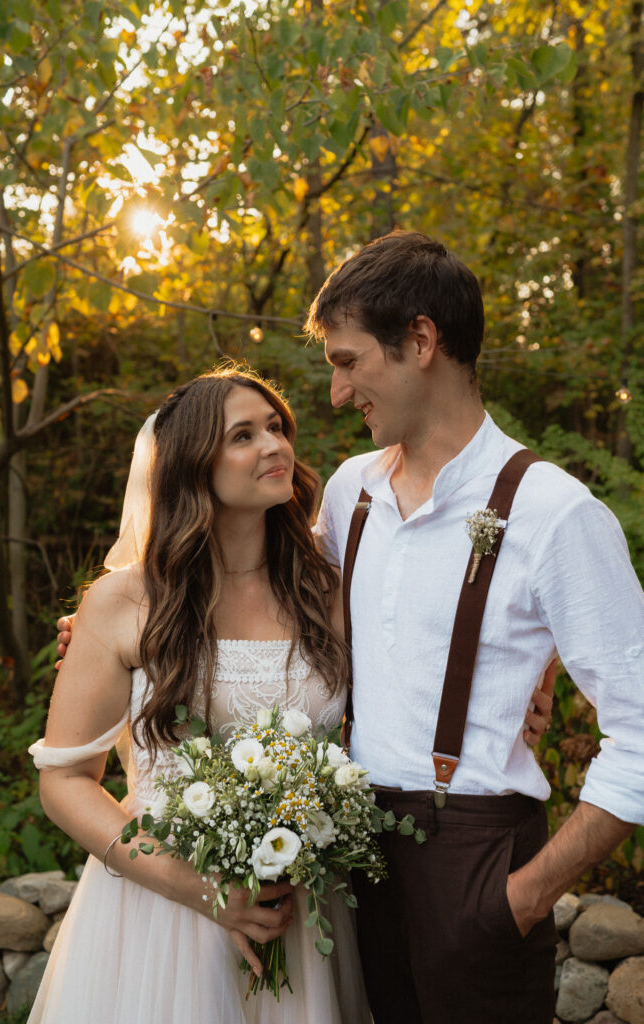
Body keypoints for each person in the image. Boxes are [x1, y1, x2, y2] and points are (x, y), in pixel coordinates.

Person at [303, 229, 644, 1024]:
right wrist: (124, 613)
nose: (336, 394)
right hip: (358, 856)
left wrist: (521, 898)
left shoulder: (555, 513)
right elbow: (269, 604)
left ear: (420, 339)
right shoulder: (350, 491)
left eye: (348, 362)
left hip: (481, 861)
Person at [28, 367, 371, 1024]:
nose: (274, 446)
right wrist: (208, 892)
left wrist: (533, 680)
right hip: (163, 913)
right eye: (243, 435)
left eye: (276, 428)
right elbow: (65, 782)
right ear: (191, 467)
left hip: (300, 916)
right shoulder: (125, 602)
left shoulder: (328, 589)